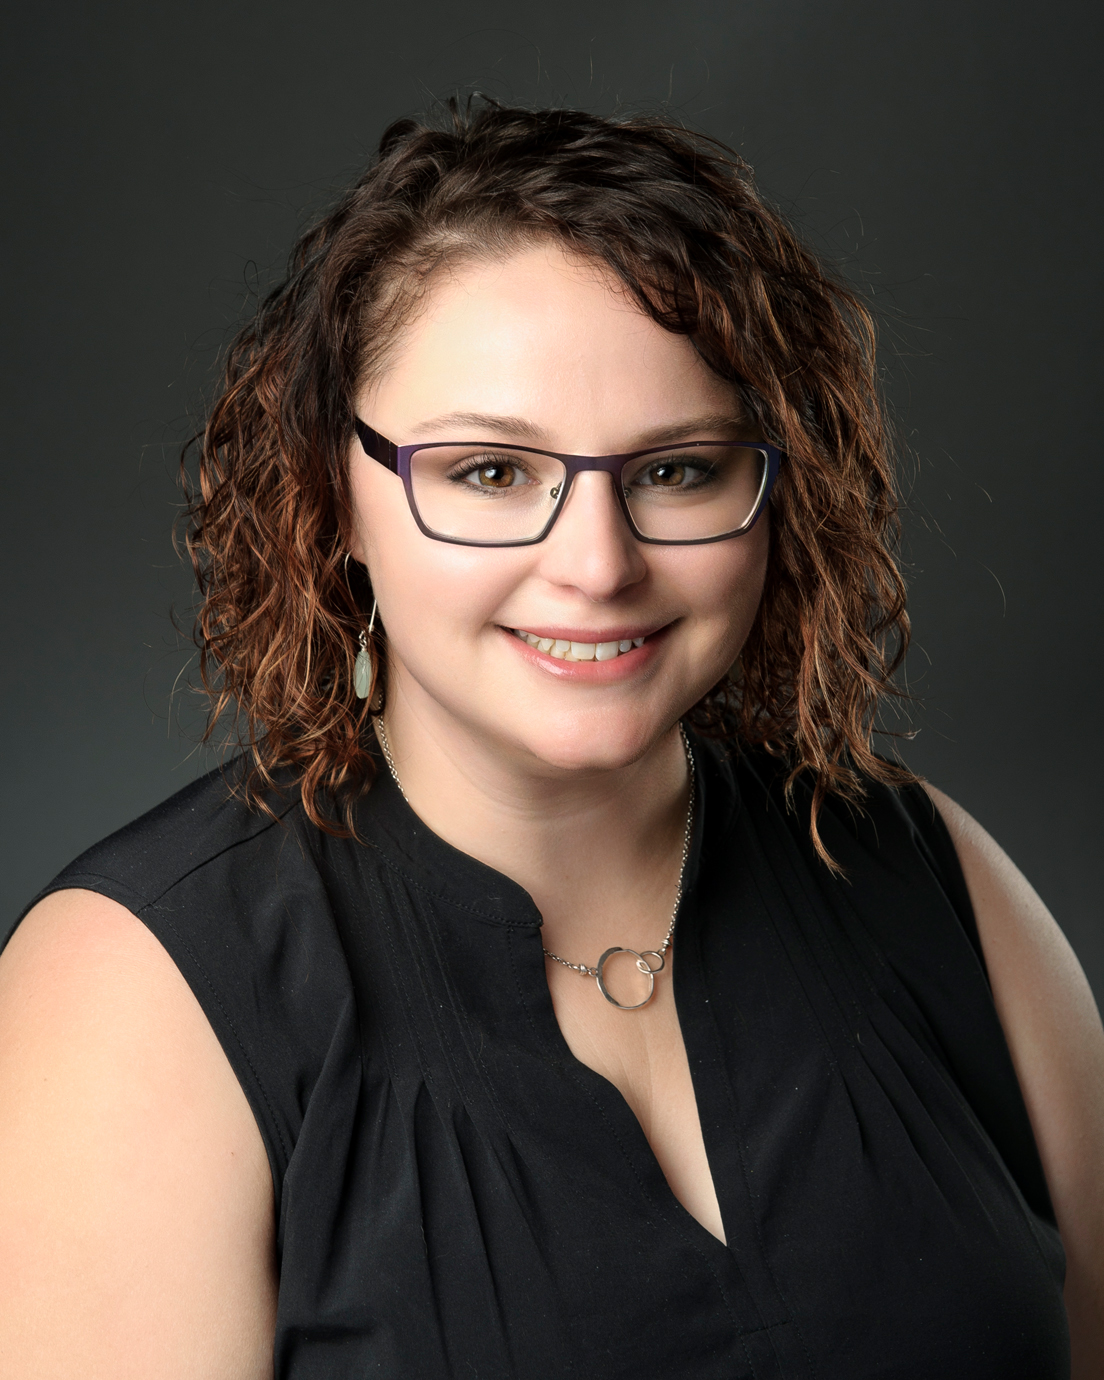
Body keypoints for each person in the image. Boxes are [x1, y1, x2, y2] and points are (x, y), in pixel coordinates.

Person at [0, 100, 1101, 1380]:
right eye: (488, 472)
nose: (597, 566)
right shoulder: (128, 993)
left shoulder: (934, 876)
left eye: (677, 470)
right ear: (330, 494)